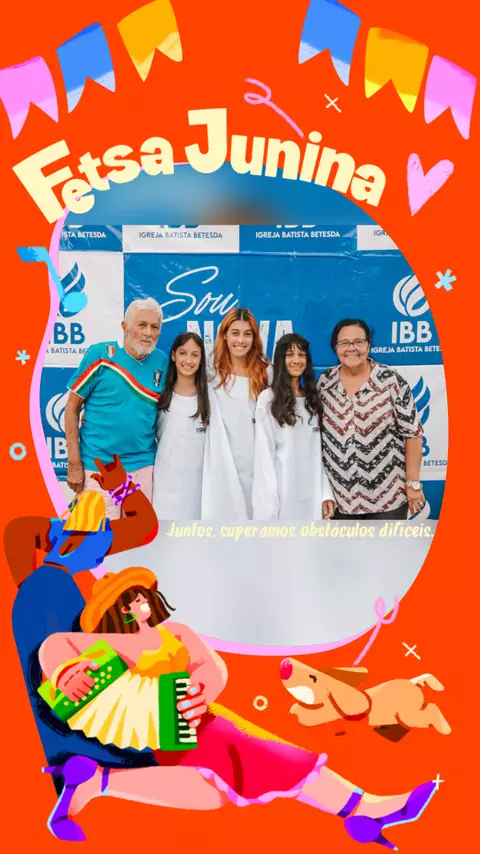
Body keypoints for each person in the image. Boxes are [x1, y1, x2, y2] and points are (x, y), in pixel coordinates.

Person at [38, 567, 438, 848]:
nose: (135, 606)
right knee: (275, 763)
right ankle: (364, 808)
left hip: (208, 719)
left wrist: (202, 688)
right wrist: (65, 672)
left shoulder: (176, 632)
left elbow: (212, 667)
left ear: (149, 600)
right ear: (115, 614)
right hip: (175, 734)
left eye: (139, 598)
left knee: (219, 789)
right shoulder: (112, 644)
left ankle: (95, 782)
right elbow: (55, 645)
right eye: (125, 604)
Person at [5, 456, 160, 774]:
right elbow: (145, 528)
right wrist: (122, 487)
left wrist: (27, 586)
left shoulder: (59, 548)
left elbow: (18, 530)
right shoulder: (80, 553)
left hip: (38, 594)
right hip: (93, 747)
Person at [65, 298, 168, 518]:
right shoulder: (100, 355)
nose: (148, 333)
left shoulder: (162, 362)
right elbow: (72, 408)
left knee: (136, 536)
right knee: (98, 536)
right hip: (98, 467)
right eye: (141, 325)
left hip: (142, 467)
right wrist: (74, 464)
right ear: (124, 327)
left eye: (154, 327)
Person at [317, 319, 425, 520]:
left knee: (387, 543)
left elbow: (413, 434)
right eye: (344, 343)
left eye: (358, 342)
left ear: (368, 345)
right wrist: (323, 492)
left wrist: (413, 483)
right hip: (340, 500)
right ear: (335, 348)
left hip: (388, 499)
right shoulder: (325, 383)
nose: (351, 348)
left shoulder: (390, 380)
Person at [253, 333, 335, 520]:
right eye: (290, 354)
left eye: (301, 355)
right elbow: (264, 455)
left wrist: (325, 493)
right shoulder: (268, 399)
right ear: (280, 360)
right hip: (282, 495)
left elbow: (318, 453)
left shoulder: (312, 399)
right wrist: (269, 504)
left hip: (312, 494)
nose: (297, 360)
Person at [203, 307, 271, 519]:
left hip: (255, 460)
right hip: (220, 460)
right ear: (224, 335)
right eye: (235, 333)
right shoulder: (210, 372)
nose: (241, 340)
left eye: (247, 334)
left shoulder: (266, 372)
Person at [153, 332, 210, 519]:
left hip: (199, 483)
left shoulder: (209, 396)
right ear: (173, 355)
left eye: (195, 355)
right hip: (164, 479)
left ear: (201, 359)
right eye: (183, 353)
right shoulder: (160, 393)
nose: (188, 360)